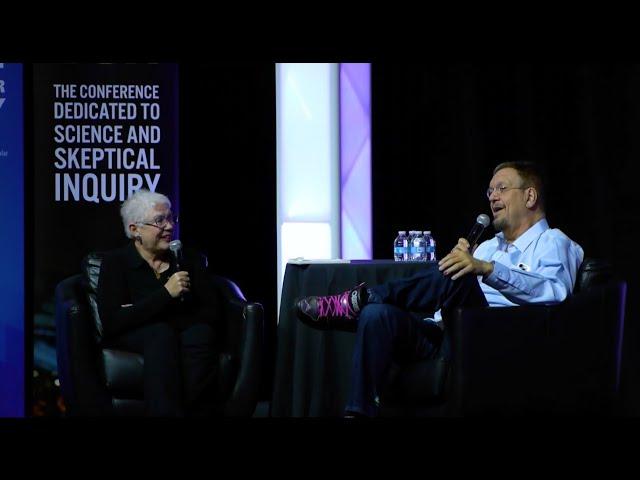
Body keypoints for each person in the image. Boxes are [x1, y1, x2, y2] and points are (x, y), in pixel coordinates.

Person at [295, 161, 584, 417]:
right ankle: (358, 411)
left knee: (460, 273)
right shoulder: (487, 245)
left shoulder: (554, 242)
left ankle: (360, 298)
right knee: (376, 315)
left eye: (502, 188)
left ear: (530, 195)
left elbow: (554, 292)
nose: (493, 197)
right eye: (489, 191)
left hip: (493, 340)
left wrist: (486, 269)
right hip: (445, 332)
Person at [97, 189, 223, 416]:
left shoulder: (187, 260)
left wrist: (140, 310)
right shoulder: (115, 263)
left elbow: (210, 312)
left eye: (170, 218)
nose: (168, 226)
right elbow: (113, 321)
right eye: (159, 220)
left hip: (172, 330)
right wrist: (166, 294)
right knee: (159, 333)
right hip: (136, 335)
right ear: (135, 230)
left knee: (200, 333)